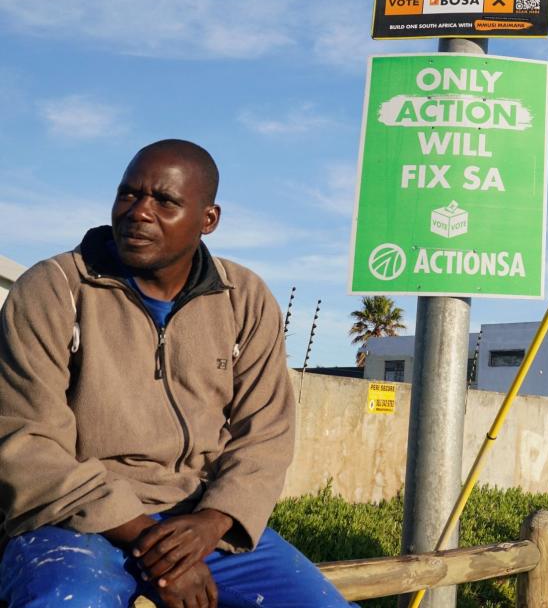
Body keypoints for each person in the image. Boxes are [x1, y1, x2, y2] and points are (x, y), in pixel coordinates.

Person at [0, 140, 354, 607]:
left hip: (198, 522)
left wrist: (215, 521)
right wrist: (153, 542)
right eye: (128, 195)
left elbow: (265, 434)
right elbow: (26, 442)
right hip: (73, 520)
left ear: (208, 220)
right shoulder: (55, 290)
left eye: (164, 201)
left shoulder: (242, 298)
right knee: (69, 599)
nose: (139, 212)